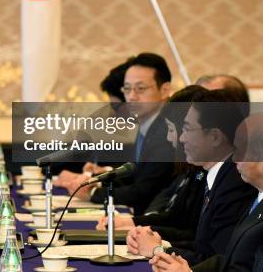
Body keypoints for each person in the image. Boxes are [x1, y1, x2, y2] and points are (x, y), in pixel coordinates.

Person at [126, 89, 256, 264]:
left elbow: (216, 259)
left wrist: (158, 249)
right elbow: (202, 245)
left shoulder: (234, 181)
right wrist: (159, 244)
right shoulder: (217, 175)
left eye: (187, 129)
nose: (181, 138)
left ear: (215, 137)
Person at [59, 53, 176, 215]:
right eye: (127, 89)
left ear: (164, 90)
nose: (132, 97)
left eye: (140, 89)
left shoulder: (168, 132)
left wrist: (93, 193)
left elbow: (144, 191)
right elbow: (134, 175)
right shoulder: (148, 126)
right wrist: (95, 182)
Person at [149, 112, 263, 271]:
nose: (235, 158)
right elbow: (227, 259)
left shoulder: (236, 186)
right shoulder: (258, 198)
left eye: (242, 149)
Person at [96, 85, 207, 240]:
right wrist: (133, 222)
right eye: (126, 90)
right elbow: (174, 214)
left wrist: (144, 229)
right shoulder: (194, 170)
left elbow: (191, 233)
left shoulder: (202, 171)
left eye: (171, 130)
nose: (170, 138)